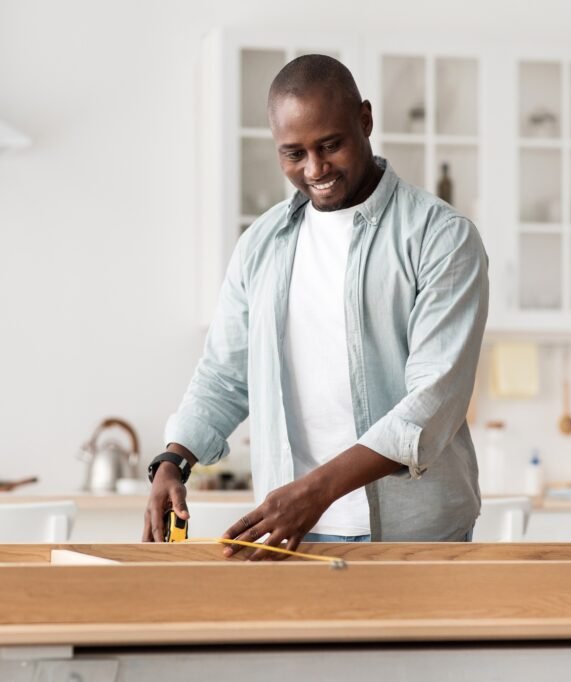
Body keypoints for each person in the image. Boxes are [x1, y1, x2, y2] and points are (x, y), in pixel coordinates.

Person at [142, 54, 488, 558]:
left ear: (365, 120)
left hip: (416, 534)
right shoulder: (261, 244)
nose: (315, 169)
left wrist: (317, 492)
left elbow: (431, 405)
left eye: (330, 145)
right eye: (294, 154)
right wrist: (172, 461)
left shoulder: (440, 237)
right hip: (294, 534)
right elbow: (224, 375)